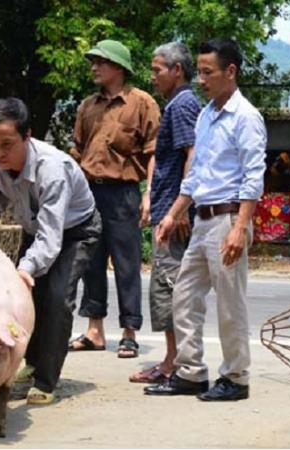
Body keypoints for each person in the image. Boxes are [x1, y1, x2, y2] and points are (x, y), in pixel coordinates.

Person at [0, 98, 102, 405]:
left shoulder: (52, 169)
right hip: (36, 231)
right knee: (26, 300)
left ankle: (46, 381)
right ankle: (30, 362)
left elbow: (51, 236)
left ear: (27, 136)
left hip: (76, 231)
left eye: (7, 144)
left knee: (57, 298)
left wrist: (25, 268)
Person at [144, 38, 266, 401]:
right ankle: (191, 372)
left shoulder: (246, 118)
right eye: (199, 72)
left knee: (230, 303)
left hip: (229, 219)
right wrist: (172, 214)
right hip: (202, 220)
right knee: (183, 295)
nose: (201, 80)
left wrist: (240, 229)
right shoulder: (207, 115)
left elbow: (253, 177)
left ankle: (236, 378)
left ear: (231, 72)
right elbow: (195, 175)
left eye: (208, 72)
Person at [68, 39, 160, 358]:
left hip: (123, 194)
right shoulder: (87, 106)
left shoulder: (142, 103)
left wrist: (150, 194)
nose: (94, 67)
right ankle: (95, 331)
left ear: (118, 68)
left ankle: (129, 332)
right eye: (93, 61)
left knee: (126, 264)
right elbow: (76, 150)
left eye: (101, 62)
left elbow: (154, 153)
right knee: (91, 262)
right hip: (88, 193)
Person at [128, 42, 201, 384]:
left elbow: (192, 154)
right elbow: (163, 156)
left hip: (175, 213)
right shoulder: (173, 104)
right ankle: (171, 359)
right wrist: (150, 196)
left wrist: (180, 208)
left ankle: (174, 363)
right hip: (167, 208)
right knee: (165, 287)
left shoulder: (184, 104)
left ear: (177, 70)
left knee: (169, 288)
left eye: (158, 70)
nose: (152, 76)